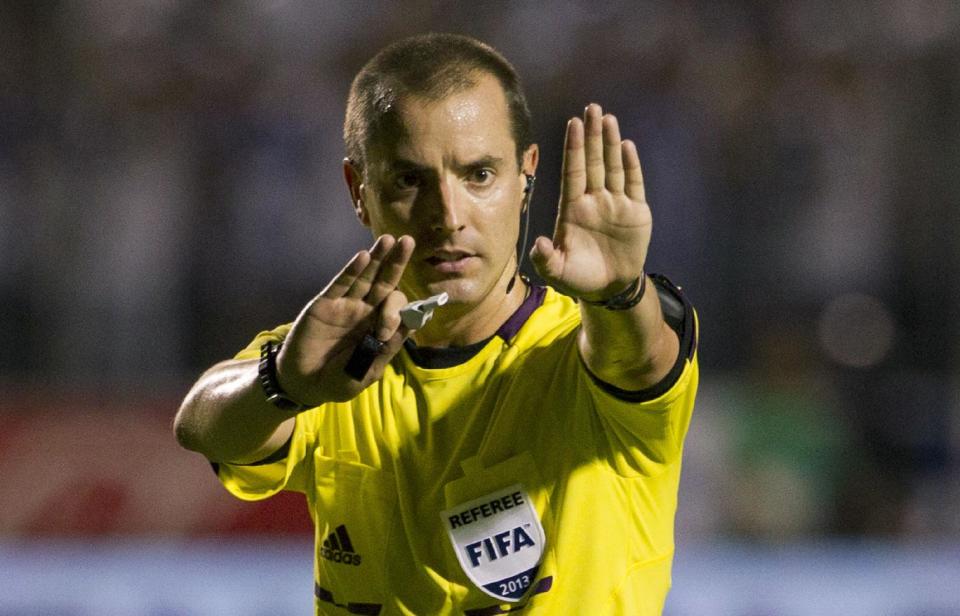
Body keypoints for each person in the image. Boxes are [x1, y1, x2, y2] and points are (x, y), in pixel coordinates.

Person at [174, 32, 698, 616]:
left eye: (478, 175)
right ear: (359, 191)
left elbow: (640, 361)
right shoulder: (334, 361)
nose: (448, 216)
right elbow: (202, 425)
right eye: (410, 180)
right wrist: (284, 386)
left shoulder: (580, 351)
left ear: (527, 174)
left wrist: (620, 295)